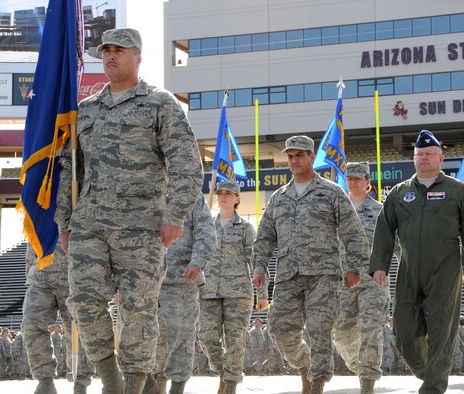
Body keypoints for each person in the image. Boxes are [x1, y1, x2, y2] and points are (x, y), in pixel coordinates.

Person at [55, 28, 203, 393]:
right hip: (90, 223)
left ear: (138, 56)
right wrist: (64, 222)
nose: (110, 56)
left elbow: (186, 161)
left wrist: (175, 216)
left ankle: (134, 383)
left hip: (142, 227)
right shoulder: (86, 111)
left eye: (119, 50)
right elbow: (70, 169)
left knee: (138, 310)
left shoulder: (160, 103)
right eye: (106, 50)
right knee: (83, 301)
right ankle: (111, 379)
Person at [369, 130, 464, 394]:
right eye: (419, 155)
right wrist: (380, 264)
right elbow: (385, 229)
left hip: (445, 271)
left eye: (429, 154)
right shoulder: (399, 193)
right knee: (404, 335)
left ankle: (433, 386)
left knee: (441, 332)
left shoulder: (458, 191)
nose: (423, 158)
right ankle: (431, 371)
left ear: (441, 158)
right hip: (409, 270)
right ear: (414, 159)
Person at [252, 135, 367, 394]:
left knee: (320, 331)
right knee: (280, 331)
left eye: (299, 155)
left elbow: (353, 232)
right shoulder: (279, 197)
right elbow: (265, 237)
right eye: (290, 156)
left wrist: (354, 267)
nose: (294, 161)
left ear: (311, 157)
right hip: (287, 276)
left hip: (323, 275)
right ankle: (305, 366)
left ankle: (316, 384)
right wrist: (259, 268)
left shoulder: (331, 192)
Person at [199, 181, 267, 394]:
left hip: (238, 292)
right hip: (209, 291)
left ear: (237, 199)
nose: (223, 197)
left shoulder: (246, 228)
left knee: (235, 340)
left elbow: (255, 261)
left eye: (229, 194)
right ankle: (225, 372)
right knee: (207, 337)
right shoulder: (206, 226)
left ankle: (229, 386)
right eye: (220, 193)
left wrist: (262, 294)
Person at [332, 162, 389, 394]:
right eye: (350, 178)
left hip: (372, 282)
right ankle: (361, 367)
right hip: (343, 283)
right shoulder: (335, 212)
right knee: (342, 336)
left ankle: (367, 381)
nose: (353, 182)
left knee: (369, 328)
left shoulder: (380, 212)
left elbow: (394, 245)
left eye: (358, 178)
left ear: (368, 183)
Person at [154, 194, 216, 394]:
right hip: (147, 281)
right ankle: (153, 387)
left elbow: (206, 231)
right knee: (147, 340)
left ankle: (176, 389)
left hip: (181, 280)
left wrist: (197, 261)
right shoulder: (147, 187)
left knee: (181, 340)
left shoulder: (192, 197)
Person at [21, 244, 94, 394]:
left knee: (79, 330)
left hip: (76, 275)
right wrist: (30, 271)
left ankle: (81, 380)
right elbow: (33, 237)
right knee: (31, 323)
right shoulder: (41, 218)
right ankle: (45, 379)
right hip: (41, 276)